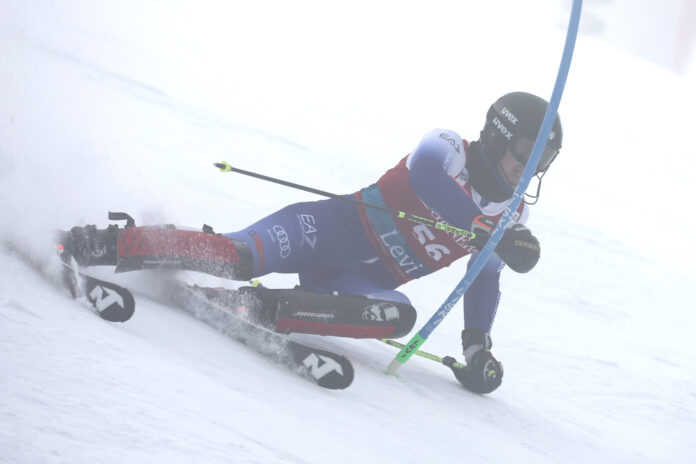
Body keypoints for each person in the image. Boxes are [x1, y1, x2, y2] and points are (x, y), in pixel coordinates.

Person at [61, 91, 562, 394]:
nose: (529, 169)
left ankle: (251, 307)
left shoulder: (512, 213)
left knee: (398, 315)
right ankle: (103, 244)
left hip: (358, 281)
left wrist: (476, 349)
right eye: (526, 152)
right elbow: (427, 176)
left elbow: (484, 279)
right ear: (498, 137)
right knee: (238, 255)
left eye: (542, 161)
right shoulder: (448, 148)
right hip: (328, 230)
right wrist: (483, 227)